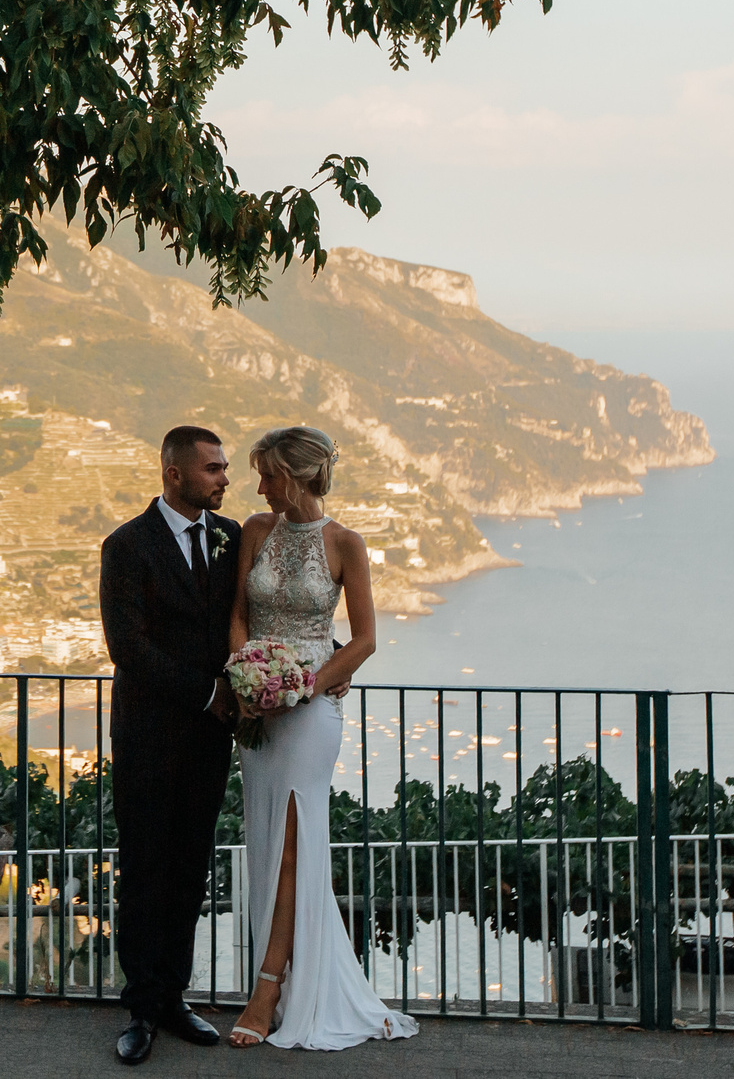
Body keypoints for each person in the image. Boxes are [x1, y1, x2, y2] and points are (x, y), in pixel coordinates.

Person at [224, 425, 419, 1050]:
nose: (259, 487)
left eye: (269, 476)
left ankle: (269, 988)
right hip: (258, 709)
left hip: (310, 710)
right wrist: (246, 683)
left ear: (301, 476)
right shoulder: (254, 531)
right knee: (263, 836)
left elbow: (363, 639)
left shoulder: (345, 544)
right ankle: (282, 974)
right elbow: (238, 615)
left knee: (290, 841)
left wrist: (303, 687)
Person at [97, 425, 244, 1065]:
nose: (224, 478)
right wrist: (208, 694)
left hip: (208, 742)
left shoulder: (231, 537)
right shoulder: (126, 546)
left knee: (190, 869)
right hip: (148, 735)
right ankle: (141, 1009)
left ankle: (175, 996)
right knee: (147, 870)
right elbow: (128, 650)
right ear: (174, 474)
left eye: (225, 468)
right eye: (212, 469)